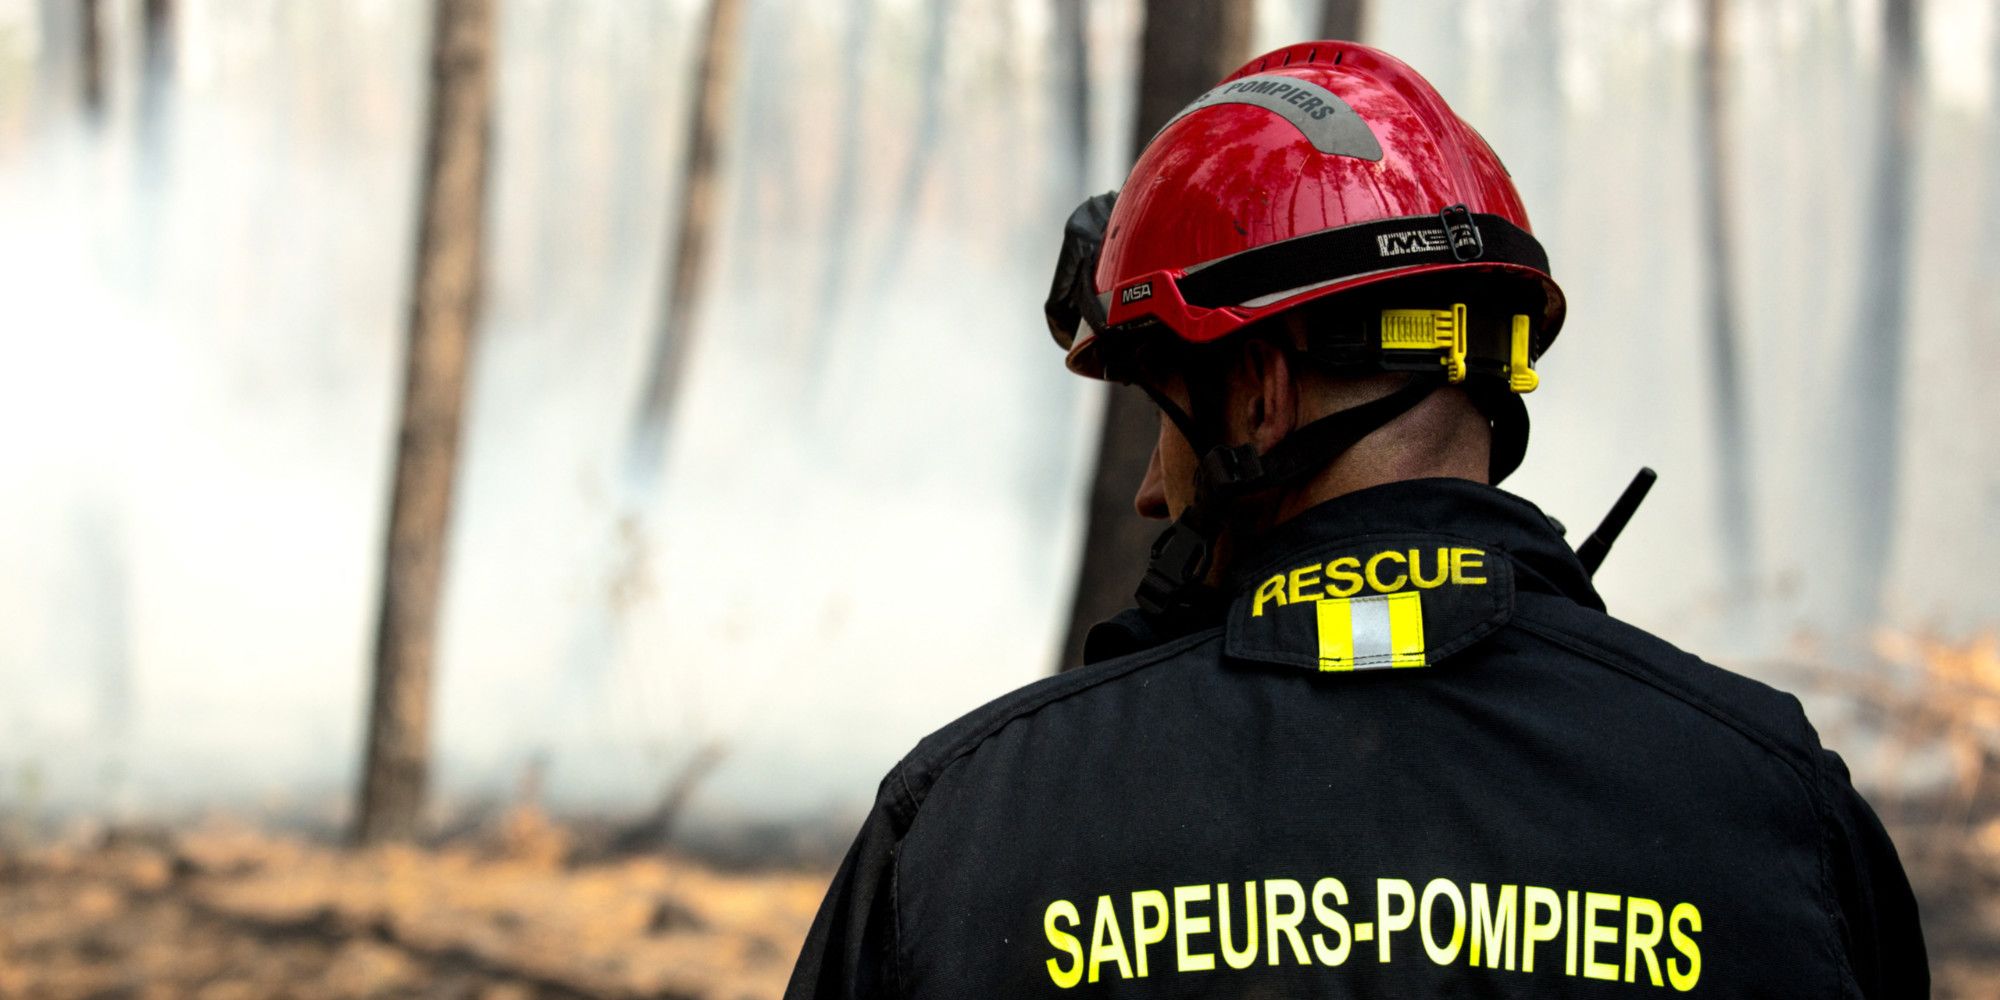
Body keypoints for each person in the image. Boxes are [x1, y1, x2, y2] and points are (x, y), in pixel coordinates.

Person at [784, 40, 1928, 998]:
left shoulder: (974, 833)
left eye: (1165, 418)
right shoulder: (1777, 813)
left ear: (1260, 393)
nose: (1147, 488)